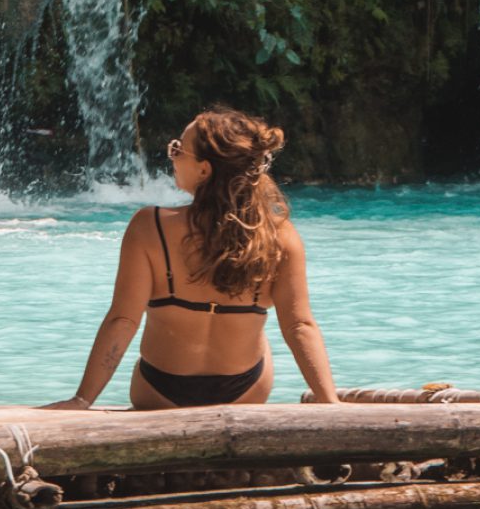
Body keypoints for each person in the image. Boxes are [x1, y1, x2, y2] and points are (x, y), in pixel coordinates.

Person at [44, 107, 339, 410]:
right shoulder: (279, 237)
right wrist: (331, 404)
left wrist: (82, 400)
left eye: (178, 150)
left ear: (204, 170)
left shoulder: (150, 227)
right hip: (246, 391)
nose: (172, 156)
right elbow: (299, 326)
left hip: (159, 392)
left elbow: (123, 319)